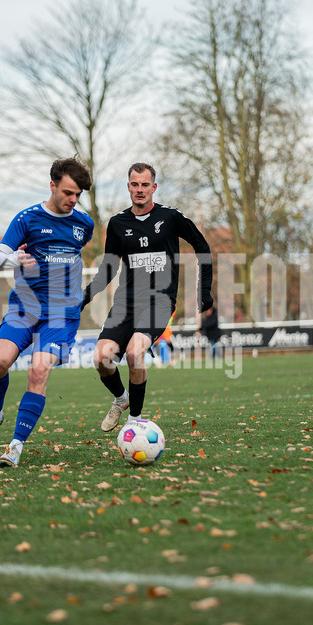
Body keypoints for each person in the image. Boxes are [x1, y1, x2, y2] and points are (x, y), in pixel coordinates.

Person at [0, 157, 94, 467]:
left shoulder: (84, 223)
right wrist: (17, 260)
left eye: (77, 194)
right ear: (52, 185)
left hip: (61, 315)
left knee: (38, 371)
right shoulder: (27, 219)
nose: (72, 200)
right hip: (24, 308)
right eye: (67, 192)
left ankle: (15, 446)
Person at [82, 162, 214, 432]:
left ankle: (134, 423)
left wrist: (204, 290)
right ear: (128, 187)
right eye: (135, 184)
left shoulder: (170, 217)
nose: (139, 189)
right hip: (126, 303)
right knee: (101, 359)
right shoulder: (117, 223)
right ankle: (121, 399)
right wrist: (83, 298)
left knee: (134, 352)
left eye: (145, 184)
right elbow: (108, 268)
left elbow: (201, 245)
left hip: (160, 300)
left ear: (154, 187)